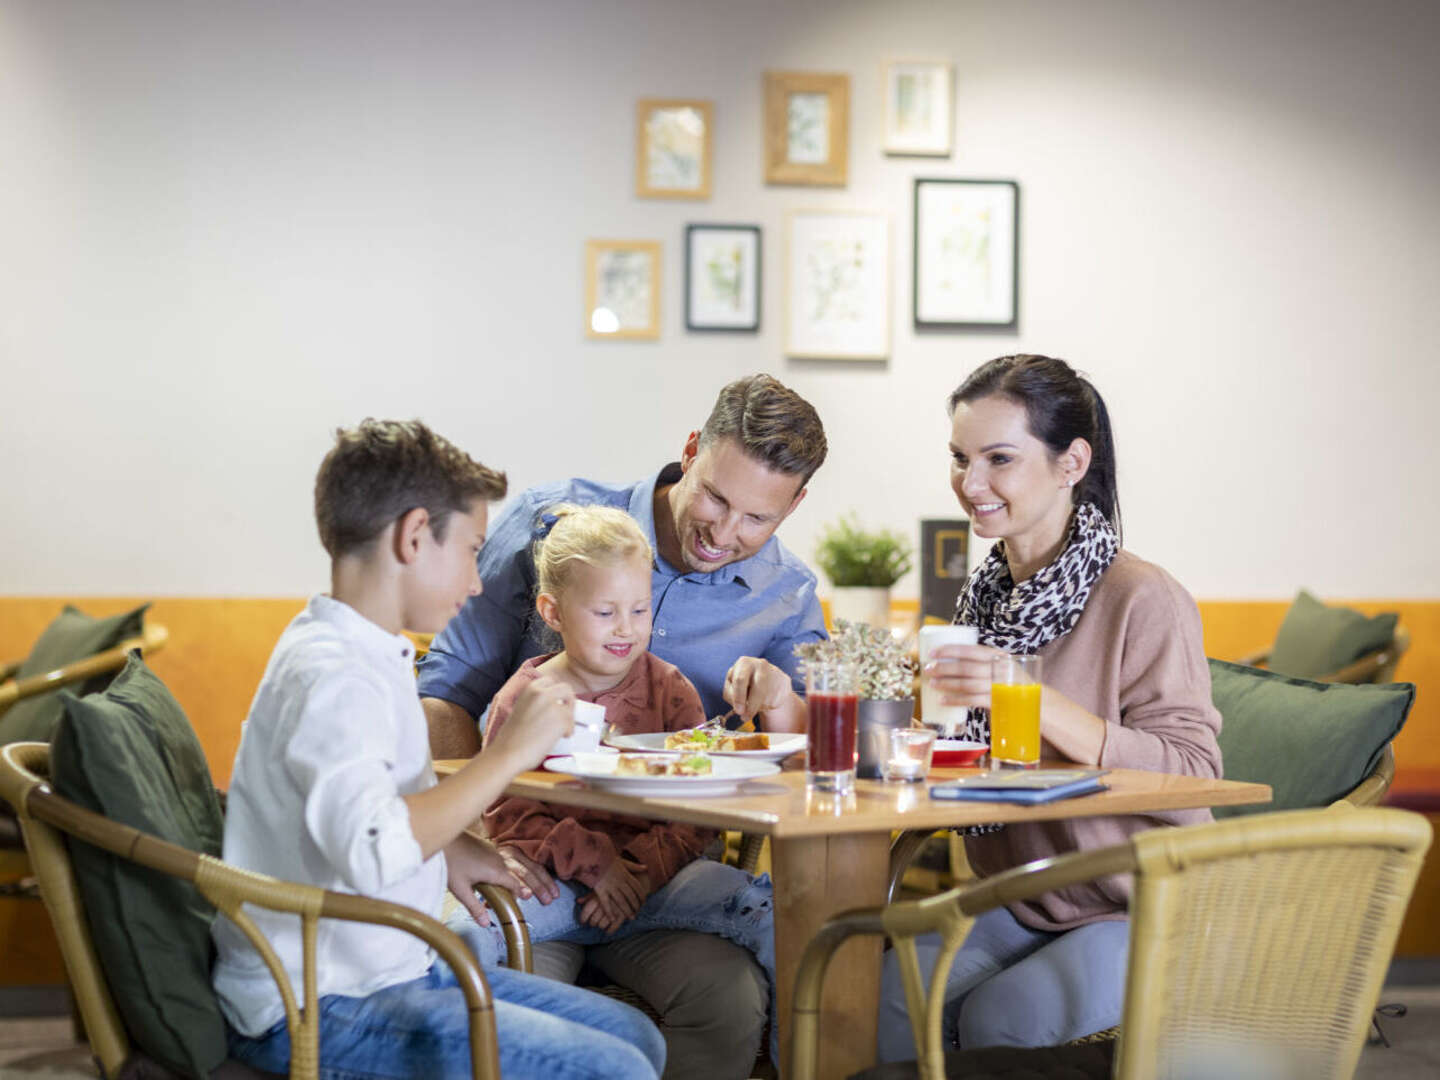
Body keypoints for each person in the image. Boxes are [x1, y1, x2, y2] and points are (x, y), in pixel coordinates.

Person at [211, 419, 666, 1080]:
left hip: (390, 968)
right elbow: (376, 850)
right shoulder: (335, 677)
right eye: (472, 551)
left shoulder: (365, 651)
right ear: (414, 535)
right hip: (316, 1001)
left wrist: (450, 844)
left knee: (637, 1039)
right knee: (619, 1068)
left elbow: (371, 810)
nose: (477, 583)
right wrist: (505, 755)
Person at [417, 374, 828, 1079]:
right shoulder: (553, 526)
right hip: (527, 866)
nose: (723, 534)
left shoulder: (787, 596)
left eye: (757, 520)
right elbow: (443, 697)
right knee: (513, 1005)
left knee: (730, 1000)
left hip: (662, 881)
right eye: (715, 497)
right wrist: (470, 841)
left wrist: (783, 699)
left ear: (796, 505)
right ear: (692, 449)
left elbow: (816, 762)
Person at [876, 355, 1223, 1060]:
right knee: (884, 997)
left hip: (1143, 904)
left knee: (1001, 1020)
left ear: (1071, 464)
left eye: (998, 459)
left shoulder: (1144, 599)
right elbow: (969, 754)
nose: (970, 485)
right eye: (959, 458)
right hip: (1027, 894)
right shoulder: (986, 598)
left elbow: (1194, 769)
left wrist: (1029, 698)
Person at [464, 505, 776, 1040]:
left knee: (764, 923)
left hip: (658, 889)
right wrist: (598, 866)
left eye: (638, 609)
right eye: (605, 613)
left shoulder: (670, 688)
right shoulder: (525, 698)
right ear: (554, 612)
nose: (627, 630)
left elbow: (697, 807)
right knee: (465, 944)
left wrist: (634, 872)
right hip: (553, 894)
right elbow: (508, 811)